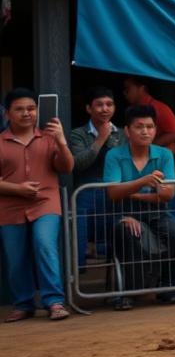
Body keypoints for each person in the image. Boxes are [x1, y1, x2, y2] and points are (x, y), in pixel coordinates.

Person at [0, 89, 74, 322]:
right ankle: (23, 304)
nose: (26, 113)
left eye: (31, 108)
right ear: (7, 114)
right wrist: (17, 189)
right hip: (9, 205)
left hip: (45, 201)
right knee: (16, 257)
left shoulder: (49, 137)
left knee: (44, 244)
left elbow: (66, 167)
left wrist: (61, 142)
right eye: (19, 109)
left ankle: (54, 301)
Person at [104, 104, 175, 310]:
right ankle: (131, 292)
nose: (145, 131)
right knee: (127, 231)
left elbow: (168, 194)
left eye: (150, 127)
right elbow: (113, 193)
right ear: (127, 131)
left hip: (157, 211)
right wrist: (144, 182)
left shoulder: (164, 154)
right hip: (124, 211)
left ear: (156, 130)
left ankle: (166, 287)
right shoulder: (114, 155)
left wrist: (131, 190)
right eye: (139, 127)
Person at [67, 86, 123, 271]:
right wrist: (101, 138)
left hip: (115, 190)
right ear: (89, 108)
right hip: (87, 190)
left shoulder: (123, 134)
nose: (105, 109)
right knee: (80, 214)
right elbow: (78, 164)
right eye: (99, 105)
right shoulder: (78, 134)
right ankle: (79, 266)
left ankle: (112, 263)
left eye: (109, 104)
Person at [122, 76, 175, 152]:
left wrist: (150, 145)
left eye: (127, 89)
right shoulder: (130, 109)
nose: (124, 93)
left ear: (141, 88)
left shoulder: (159, 107)